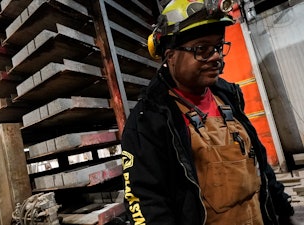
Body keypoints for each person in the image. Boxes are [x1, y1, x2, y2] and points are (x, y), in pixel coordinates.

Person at [121, 0, 297, 224]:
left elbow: (260, 164)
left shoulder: (228, 97)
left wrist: (284, 210)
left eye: (218, 47)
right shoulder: (149, 121)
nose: (215, 56)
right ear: (170, 54)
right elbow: (146, 203)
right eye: (201, 49)